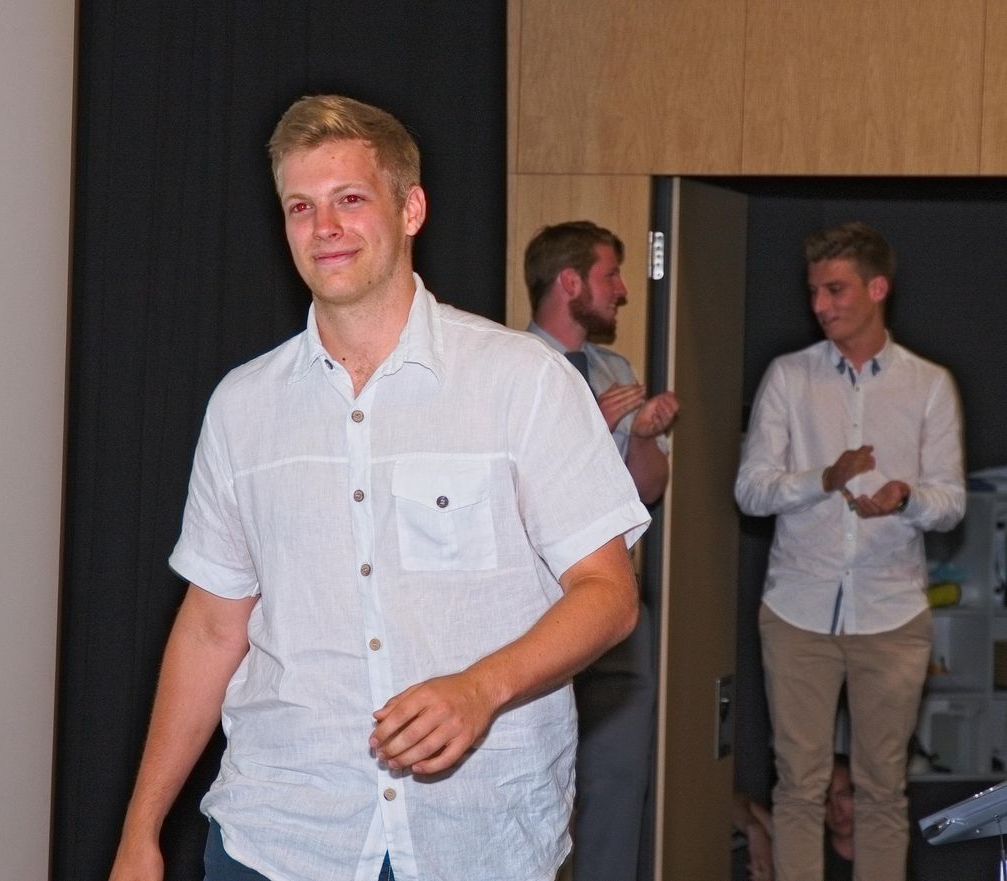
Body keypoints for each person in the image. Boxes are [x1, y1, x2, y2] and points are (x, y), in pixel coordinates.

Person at [107, 96, 650, 881]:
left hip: (477, 840)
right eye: (301, 207)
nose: (324, 227)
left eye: (350, 198)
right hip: (277, 839)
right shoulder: (242, 406)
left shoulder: (521, 381)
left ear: (411, 209)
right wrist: (140, 829)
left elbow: (608, 592)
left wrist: (481, 688)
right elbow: (210, 630)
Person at [734, 221, 965, 881]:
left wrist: (905, 497)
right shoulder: (789, 377)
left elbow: (951, 501)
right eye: (813, 291)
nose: (820, 305)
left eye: (835, 289)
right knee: (798, 786)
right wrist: (824, 479)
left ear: (877, 288)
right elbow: (750, 490)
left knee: (883, 789)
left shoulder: (928, 384)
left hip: (891, 611)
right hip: (797, 609)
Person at [524, 220, 679, 880]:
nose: (622, 290)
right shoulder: (512, 368)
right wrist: (593, 422)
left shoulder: (617, 371)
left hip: (616, 603)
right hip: (537, 611)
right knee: (537, 782)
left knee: (618, 779)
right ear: (570, 282)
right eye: (610, 275)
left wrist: (641, 434)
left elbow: (647, 491)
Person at [733, 755, 857, 881]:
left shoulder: (870, 852)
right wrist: (755, 832)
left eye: (844, 795)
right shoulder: (807, 843)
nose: (836, 810)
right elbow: (735, 802)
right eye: (825, 801)